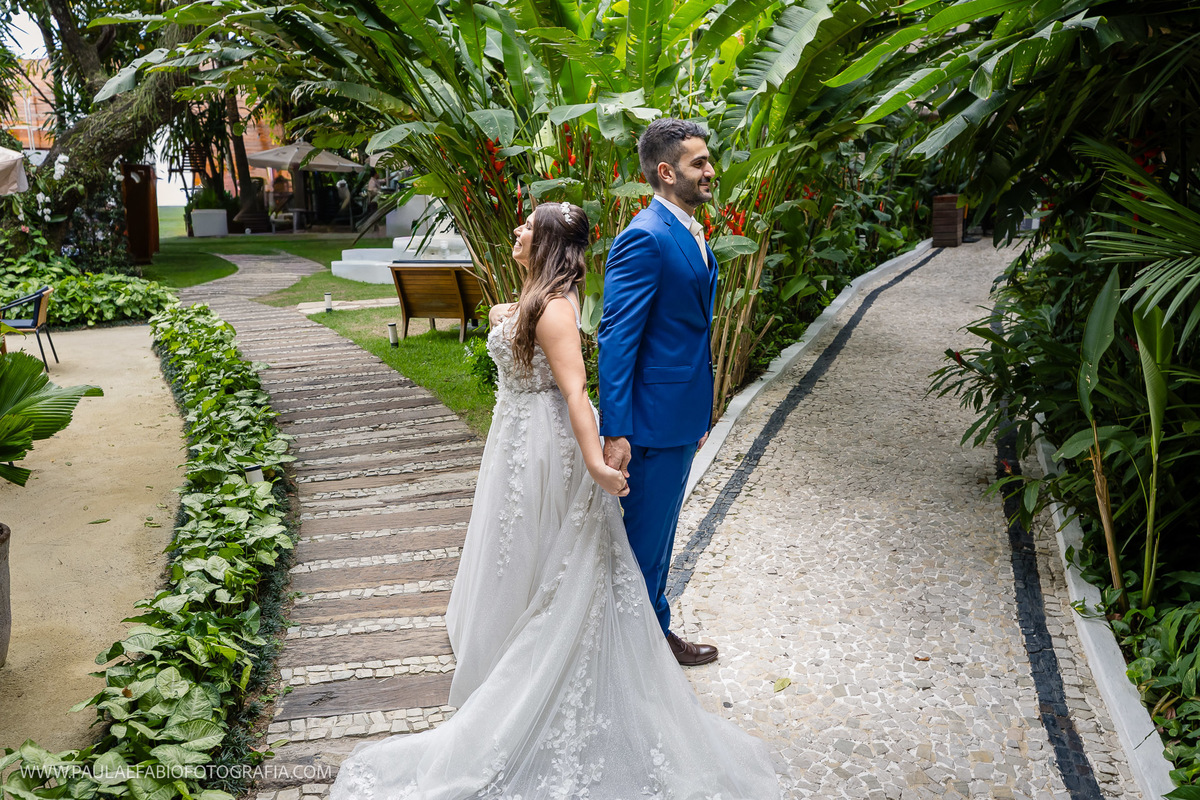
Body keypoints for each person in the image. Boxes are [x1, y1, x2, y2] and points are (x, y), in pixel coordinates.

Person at [326, 200, 779, 799]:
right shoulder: (526, 302)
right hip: (512, 440)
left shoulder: (556, 311)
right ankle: (506, 641)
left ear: (544, 242)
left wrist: (595, 460)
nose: (516, 230)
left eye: (526, 225)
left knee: (555, 545)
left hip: (546, 444)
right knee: (517, 542)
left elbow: (575, 392)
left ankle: (555, 662)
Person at [597, 118, 720, 666]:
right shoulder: (643, 237)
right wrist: (616, 429)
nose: (710, 170)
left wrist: (699, 411)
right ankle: (636, 653)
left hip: (679, 414)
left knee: (662, 535)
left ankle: (650, 631)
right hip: (647, 422)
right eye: (699, 163)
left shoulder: (687, 229)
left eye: (708, 159)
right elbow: (616, 339)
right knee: (643, 544)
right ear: (667, 173)